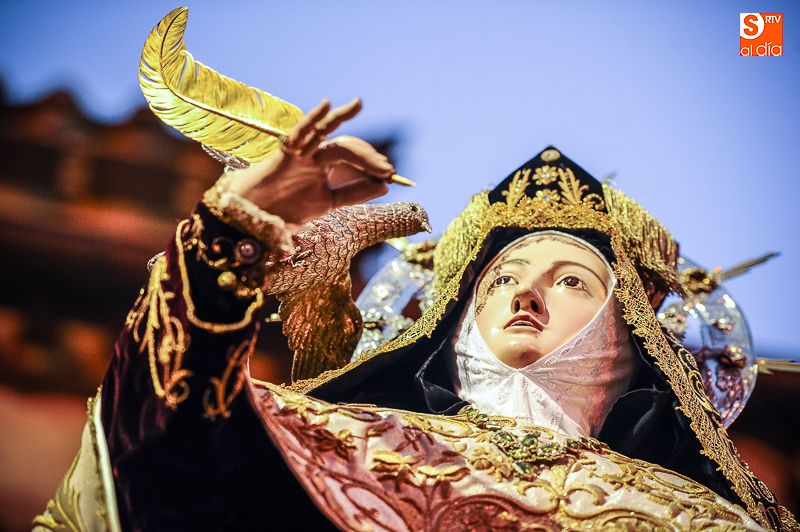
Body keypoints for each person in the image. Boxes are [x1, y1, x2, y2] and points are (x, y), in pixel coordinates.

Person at [32, 96, 798, 531]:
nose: (524, 294)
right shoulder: (330, 441)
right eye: (500, 278)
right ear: (454, 317)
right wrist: (232, 232)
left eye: (571, 281)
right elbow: (159, 447)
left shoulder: (708, 519)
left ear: (631, 333)